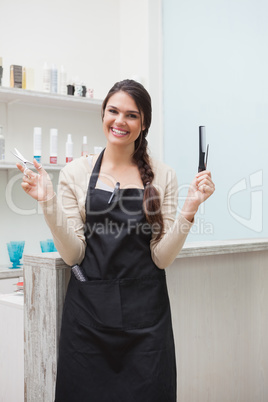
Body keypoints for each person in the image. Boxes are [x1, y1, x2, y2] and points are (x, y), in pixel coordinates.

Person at [17, 79, 215, 402]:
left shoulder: (163, 176)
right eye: (113, 111)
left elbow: (161, 258)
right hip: (87, 326)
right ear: (103, 114)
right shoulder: (76, 173)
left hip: (147, 325)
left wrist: (190, 208)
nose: (120, 121)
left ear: (144, 123)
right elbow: (73, 254)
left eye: (131, 115)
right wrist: (48, 202)